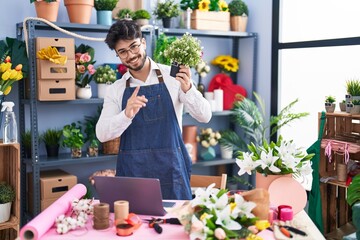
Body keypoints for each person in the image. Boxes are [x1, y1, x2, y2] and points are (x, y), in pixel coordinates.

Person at [96, 20, 212, 200]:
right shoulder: (116, 89)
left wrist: (188, 88)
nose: (131, 55)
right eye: (123, 52)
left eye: (134, 46)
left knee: (175, 224)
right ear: (117, 55)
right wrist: (126, 115)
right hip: (133, 176)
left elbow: (205, 116)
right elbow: (102, 134)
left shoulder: (173, 77)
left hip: (171, 172)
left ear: (143, 42)